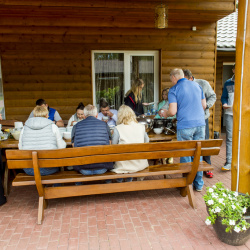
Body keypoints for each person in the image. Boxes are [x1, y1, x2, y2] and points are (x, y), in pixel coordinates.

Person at [161, 68, 206, 192]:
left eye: (171, 80)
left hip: (185, 125)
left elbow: (173, 111)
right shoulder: (197, 86)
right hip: (200, 124)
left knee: (186, 153)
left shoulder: (174, 90)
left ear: (174, 77)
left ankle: (187, 184)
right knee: (198, 153)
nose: (171, 82)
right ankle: (199, 184)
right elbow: (204, 106)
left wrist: (165, 113)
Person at [183, 69, 216, 178]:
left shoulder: (203, 84)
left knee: (204, 142)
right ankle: (192, 169)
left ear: (191, 78)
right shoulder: (182, 86)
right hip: (188, 119)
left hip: (202, 118)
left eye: (185, 80)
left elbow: (213, 96)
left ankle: (207, 167)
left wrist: (206, 106)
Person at [19, 106, 66, 176]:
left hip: (30, 169)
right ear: (47, 115)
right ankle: (55, 185)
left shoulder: (24, 128)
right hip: (49, 168)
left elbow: (20, 148)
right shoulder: (53, 126)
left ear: (34, 115)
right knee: (58, 166)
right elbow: (61, 147)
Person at [71, 104, 113, 175]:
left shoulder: (76, 126)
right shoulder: (104, 125)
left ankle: (79, 183)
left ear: (84, 115)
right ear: (96, 115)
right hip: (102, 168)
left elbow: (73, 145)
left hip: (83, 168)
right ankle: (107, 181)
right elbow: (109, 143)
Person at [111, 105, 149, 182]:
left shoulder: (118, 128)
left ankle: (120, 180)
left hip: (123, 165)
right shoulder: (141, 126)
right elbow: (147, 141)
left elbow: (113, 146)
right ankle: (129, 179)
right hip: (140, 163)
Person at [221, 64, 235, 171]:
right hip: (230, 113)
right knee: (229, 138)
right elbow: (224, 97)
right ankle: (229, 162)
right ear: (233, 70)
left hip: (243, 116)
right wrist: (224, 103)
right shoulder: (228, 83)